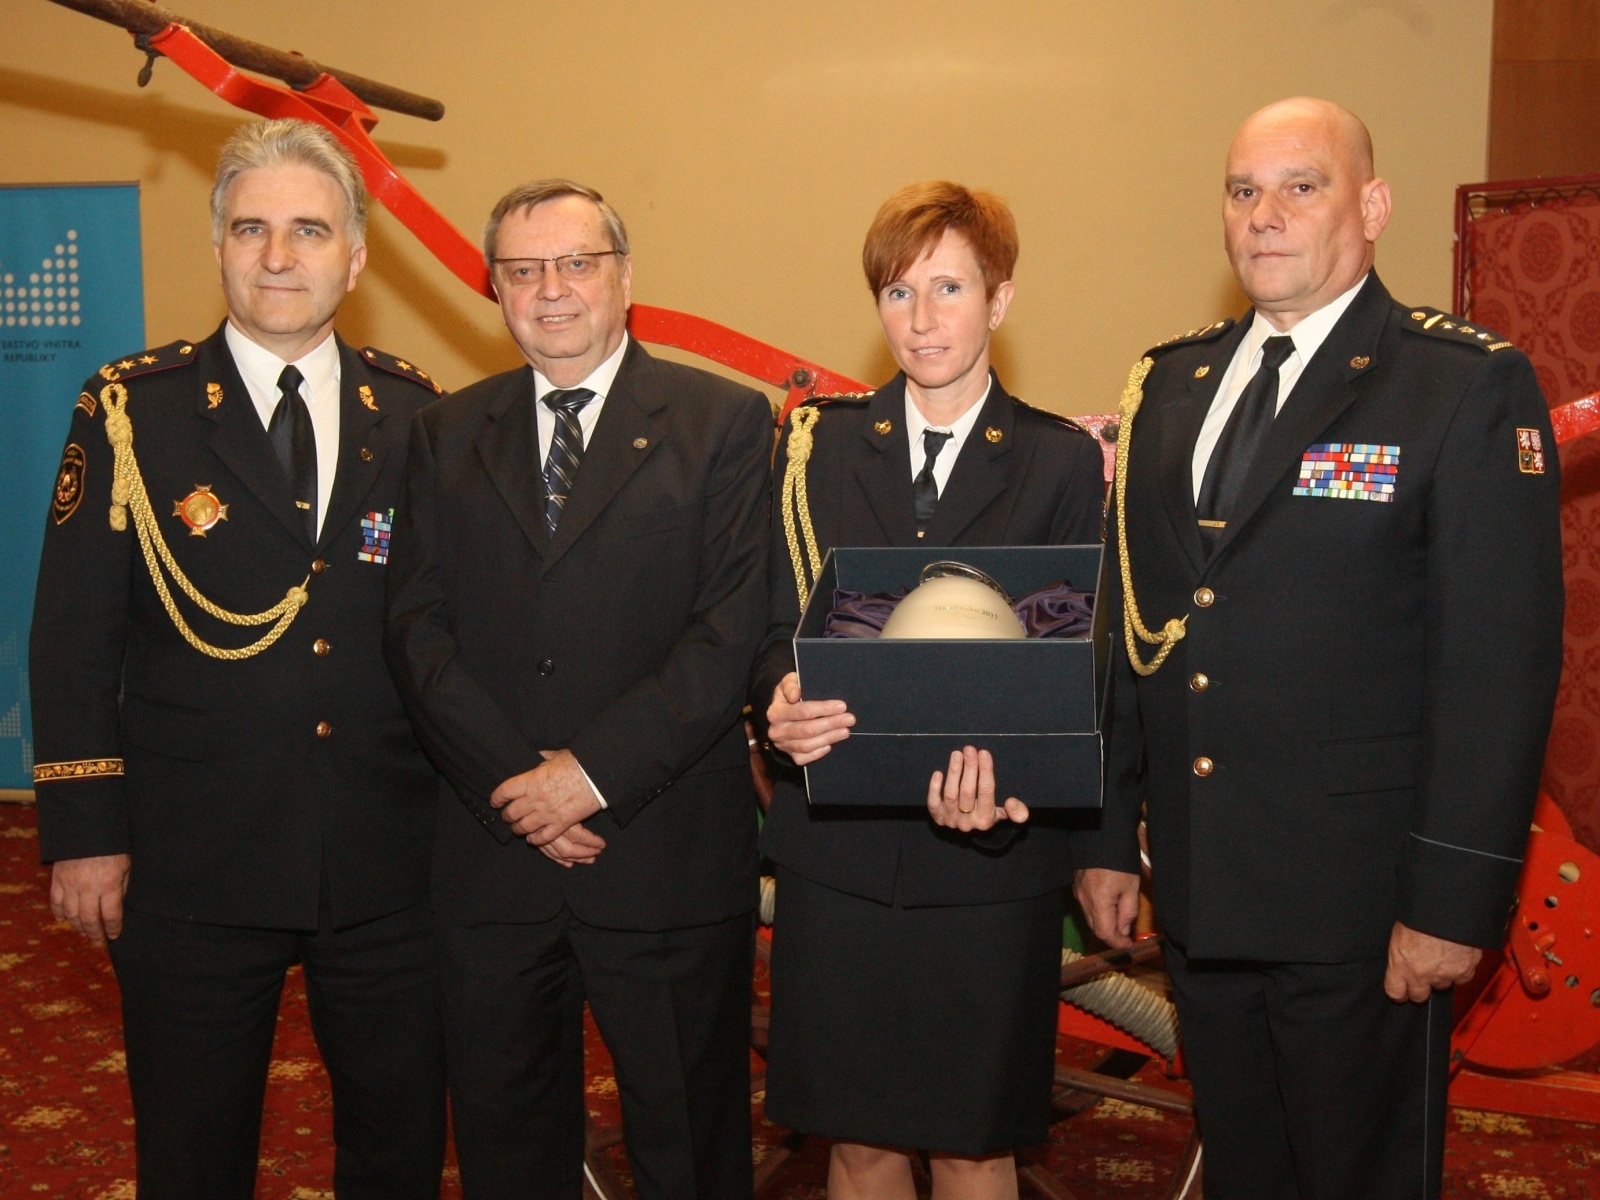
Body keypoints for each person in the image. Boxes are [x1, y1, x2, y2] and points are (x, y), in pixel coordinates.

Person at [1073, 97, 1564, 1199]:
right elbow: (1133, 633)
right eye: (1244, 191)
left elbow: (1498, 668)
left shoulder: (1456, 384)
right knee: (1245, 1173)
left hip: (1364, 910)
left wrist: (1450, 904)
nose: (1266, 215)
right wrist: (1105, 834)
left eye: (1303, 187)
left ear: (1372, 206)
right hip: (1203, 893)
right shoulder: (1170, 386)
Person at [29, 118, 446, 1199]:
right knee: (192, 1151)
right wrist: (84, 831)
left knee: (398, 1145)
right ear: (217, 246)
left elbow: (447, 631)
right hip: (192, 855)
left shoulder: (414, 413)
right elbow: (71, 635)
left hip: (386, 853)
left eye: (310, 230)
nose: (278, 255)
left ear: (355, 257)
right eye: (252, 228)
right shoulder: (133, 411)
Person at [384, 179, 772, 1200]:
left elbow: (727, 633)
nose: (549, 289)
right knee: (507, 1150)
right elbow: (416, 630)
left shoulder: (723, 422)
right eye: (522, 270)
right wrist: (521, 785)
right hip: (494, 859)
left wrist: (589, 777)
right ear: (496, 289)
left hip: (663, 857)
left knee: (689, 1151)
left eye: (575, 263)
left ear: (624, 276)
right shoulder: (443, 432)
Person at [751, 181, 1106, 1200]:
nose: (921, 319)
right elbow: (771, 619)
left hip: (990, 859)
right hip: (841, 853)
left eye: (949, 288)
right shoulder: (816, 447)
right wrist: (777, 700)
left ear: (999, 300)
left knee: (971, 1143)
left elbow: (1076, 663)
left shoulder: (1058, 461)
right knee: (857, 1141)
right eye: (898, 293)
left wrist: (1012, 783)